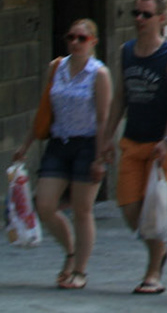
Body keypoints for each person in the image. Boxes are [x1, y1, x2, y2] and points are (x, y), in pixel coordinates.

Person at [11, 17, 111, 290]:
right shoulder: (56, 67)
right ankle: (69, 251)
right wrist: (25, 145)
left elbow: (103, 118)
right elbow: (44, 109)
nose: (76, 43)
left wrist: (99, 157)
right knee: (44, 204)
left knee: (82, 209)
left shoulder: (99, 73)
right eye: (71, 37)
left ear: (93, 42)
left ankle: (80, 269)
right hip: (59, 142)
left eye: (82, 38)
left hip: (87, 144)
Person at [105, 0, 167, 296]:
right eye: (135, 13)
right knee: (129, 208)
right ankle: (159, 250)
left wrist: (166, 140)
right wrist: (107, 138)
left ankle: (153, 272)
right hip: (133, 141)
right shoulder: (127, 52)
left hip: (163, 144)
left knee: (152, 211)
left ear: (162, 19)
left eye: (146, 14)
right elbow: (120, 99)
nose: (139, 19)